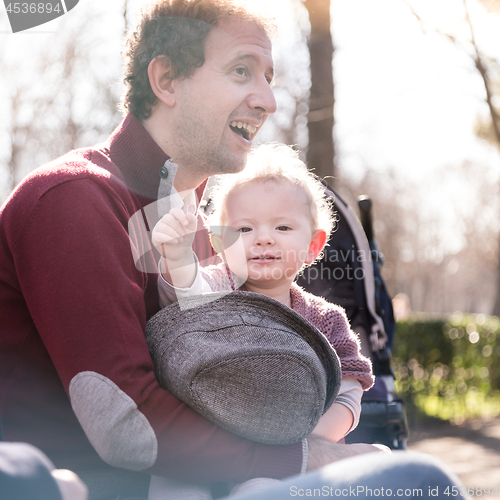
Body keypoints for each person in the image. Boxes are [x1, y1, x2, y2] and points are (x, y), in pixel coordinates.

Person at [0, 0, 469, 498]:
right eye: (241, 70)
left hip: (211, 479)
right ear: (166, 81)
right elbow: (125, 427)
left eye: (269, 76)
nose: (267, 100)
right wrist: (308, 458)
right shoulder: (74, 200)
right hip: (100, 486)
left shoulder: (206, 234)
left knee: (393, 474)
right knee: (424, 483)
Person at [149, 142, 376, 499]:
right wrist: (177, 257)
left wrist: (307, 440)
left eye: (283, 227)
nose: (264, 238)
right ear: (218, 241)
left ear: (313, 246)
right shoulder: (214, 290)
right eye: (243, 230)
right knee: (172, 485)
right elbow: (187, 296)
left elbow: (348, 391)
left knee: (269, 490)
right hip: (210, 440)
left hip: (295, 451)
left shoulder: (325, 320)